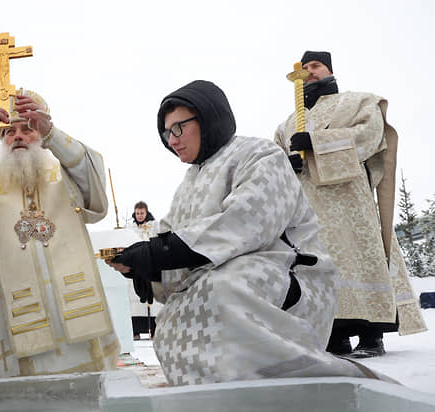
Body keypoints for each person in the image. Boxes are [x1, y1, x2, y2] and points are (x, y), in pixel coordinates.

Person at [109, 79, 392, 386]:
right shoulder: (188, 185)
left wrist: (160, 252)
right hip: (229, 276)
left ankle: (312, 385)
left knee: (224, 289)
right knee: (177, 313)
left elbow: (247, 221)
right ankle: (216, 399)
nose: (172, 140)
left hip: (288, 277)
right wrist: (145, 269)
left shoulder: (259, 154)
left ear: (207, 117)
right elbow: (173, 244)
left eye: (178, 128)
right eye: (166, 133)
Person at [0, 89, 119, 379]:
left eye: (28, 129)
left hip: (76, 327)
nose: (18, 136)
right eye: (9, 132)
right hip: (14, 329)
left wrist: (52, 133)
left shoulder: (66, 176)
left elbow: (92, 174)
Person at [275, 51, 426, 358]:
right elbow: (276, 156)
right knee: (321, 268)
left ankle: (372, 337)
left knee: (360, 259)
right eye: (304, 68)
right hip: (309, 208)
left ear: (329, 70)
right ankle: (335, 337)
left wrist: (317, 144)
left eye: (315, 66)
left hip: (349, 201)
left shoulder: (358, 102)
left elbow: (370, 136)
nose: (309, 72)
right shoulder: (288, 122)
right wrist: (287, 163)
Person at [127, 201, 161, 339]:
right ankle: (136, 331)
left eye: (142, 213)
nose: (140, 215)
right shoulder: (130, 228)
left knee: (153, 299)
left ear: (146, 213)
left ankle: (153, 330)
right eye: (137, 213)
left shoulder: (153, 225)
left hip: (149, 264)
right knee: (134, 299)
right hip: (135, 266)